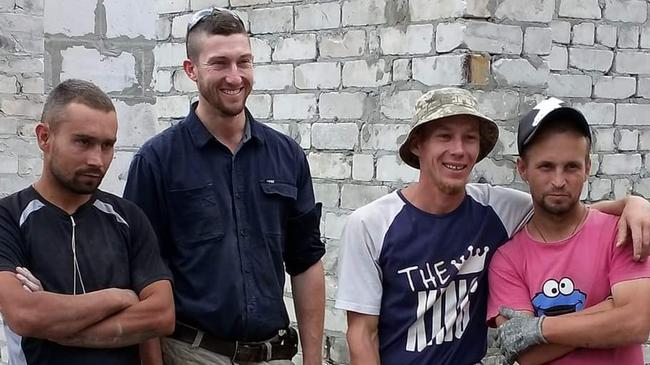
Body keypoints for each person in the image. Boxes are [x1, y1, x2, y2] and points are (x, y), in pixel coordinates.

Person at [334, 87, 650, 365]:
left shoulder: (496, 208)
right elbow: (362, 333)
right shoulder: (371, 224)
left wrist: (632, 204)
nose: (458, 149)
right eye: (444, 136)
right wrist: (608, 311)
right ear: (418, 145)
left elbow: (568, 212)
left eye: (469, 138)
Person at [123, 7, 325, 365]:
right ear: (191, 70)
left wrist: (312, 359)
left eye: (243, 62)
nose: (235, 77)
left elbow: (306, 261)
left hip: (274, 355)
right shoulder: (156, 162)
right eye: (219, 63)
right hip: (191, 354)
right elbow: (142, 276)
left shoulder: (287, 156)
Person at [0, 79, 175, 365]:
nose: (97, 159)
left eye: (107, 145)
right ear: (44, 137)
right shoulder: (9, 217)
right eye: (83, 142)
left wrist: (55, 322)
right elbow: (24, 314)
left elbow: (161, 316)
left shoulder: (128, 218)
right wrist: (120, 297)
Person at [487, 98, 650, 365]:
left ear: (588, 167)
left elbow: (636, 324)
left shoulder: (620, 232)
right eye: (546, 166)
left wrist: (539, 329)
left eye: (571, 167)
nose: (559, 181)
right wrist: (610, 309)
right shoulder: (507, 260)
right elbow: (526, 352)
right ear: (522, 169)